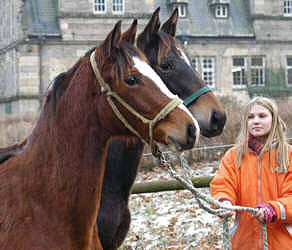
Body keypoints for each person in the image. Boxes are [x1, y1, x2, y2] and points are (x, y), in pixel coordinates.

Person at [210, 96, 292, 250]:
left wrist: (274, 209)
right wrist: (224, 202)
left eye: (262, 116)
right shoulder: (234, 156)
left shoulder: (288, 155)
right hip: (244, 243)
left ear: (273, 119)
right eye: (250, 117)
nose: (255, 121)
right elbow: (222, 184)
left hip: (283, 243)